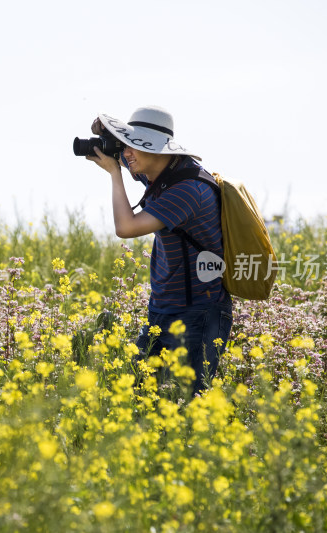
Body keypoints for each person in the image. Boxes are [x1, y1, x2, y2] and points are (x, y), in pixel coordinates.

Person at [85, 105, 233, 394]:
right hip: (164, 308)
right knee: (138, 397)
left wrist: (114, 174)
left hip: (198, 312)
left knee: (187, 404)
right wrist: (107, 136)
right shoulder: (160, 171)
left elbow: (126, 228)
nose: (128, 154)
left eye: (135, 147)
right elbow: (129, 157)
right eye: (126, 145)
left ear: (159, 150)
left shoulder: (186, 190)